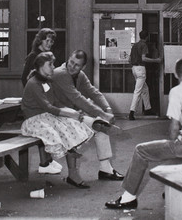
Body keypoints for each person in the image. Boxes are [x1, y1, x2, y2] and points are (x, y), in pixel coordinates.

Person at [105, 58, 182, 209]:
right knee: (179, 148)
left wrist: (177, 137)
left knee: (141, 150)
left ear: (175, 74)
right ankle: (178, 188)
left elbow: (173, 129)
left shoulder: (178, 91)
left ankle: (128, 198)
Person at [21, 52, 94, 188]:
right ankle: (68, 150)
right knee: (60, 129)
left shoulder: (46, 81)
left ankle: (73, 172)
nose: (53, 67)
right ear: (41, 66)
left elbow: (56, 102)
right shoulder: (33, 83)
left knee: (72, 124)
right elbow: (48, 107)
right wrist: (69, 113)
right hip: (34, 121)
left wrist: (72, 112)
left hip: (46, 117)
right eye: (50, 64)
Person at [51, 50, 124, 181]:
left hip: (71, 115)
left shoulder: (80, 75)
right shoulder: (60, 73)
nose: (72, 66)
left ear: (82, 67)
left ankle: (105, 169)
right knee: (99, 124)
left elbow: (93, 92)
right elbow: (78, 99)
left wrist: (108, 109)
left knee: (101, 125)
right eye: (71, 62)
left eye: (77, 65)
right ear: (68, 58)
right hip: (57, 116)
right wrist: (102, 114)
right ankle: (78, 174)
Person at [21, 27, 61, 174]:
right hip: (35, 100)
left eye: (52, 41)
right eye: (48, 40)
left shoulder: (46, 56)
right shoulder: (34, 56)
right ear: (40, 40)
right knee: (43, 129)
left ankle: (48, 160)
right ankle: (44, 162)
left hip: (42, 96)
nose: (50, 43)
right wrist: (35, 93)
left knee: (47, 128)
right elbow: (25, 78)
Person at [128, 30, 161, 120]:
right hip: (140, 69)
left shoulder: (134, 45)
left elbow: (129, 59)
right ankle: (132, 112)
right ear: (147, 37)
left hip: (134, 69)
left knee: (145, 89)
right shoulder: (144, 45)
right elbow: (143, 58)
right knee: (138, 91)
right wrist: (156, 60)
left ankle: (148, 108)